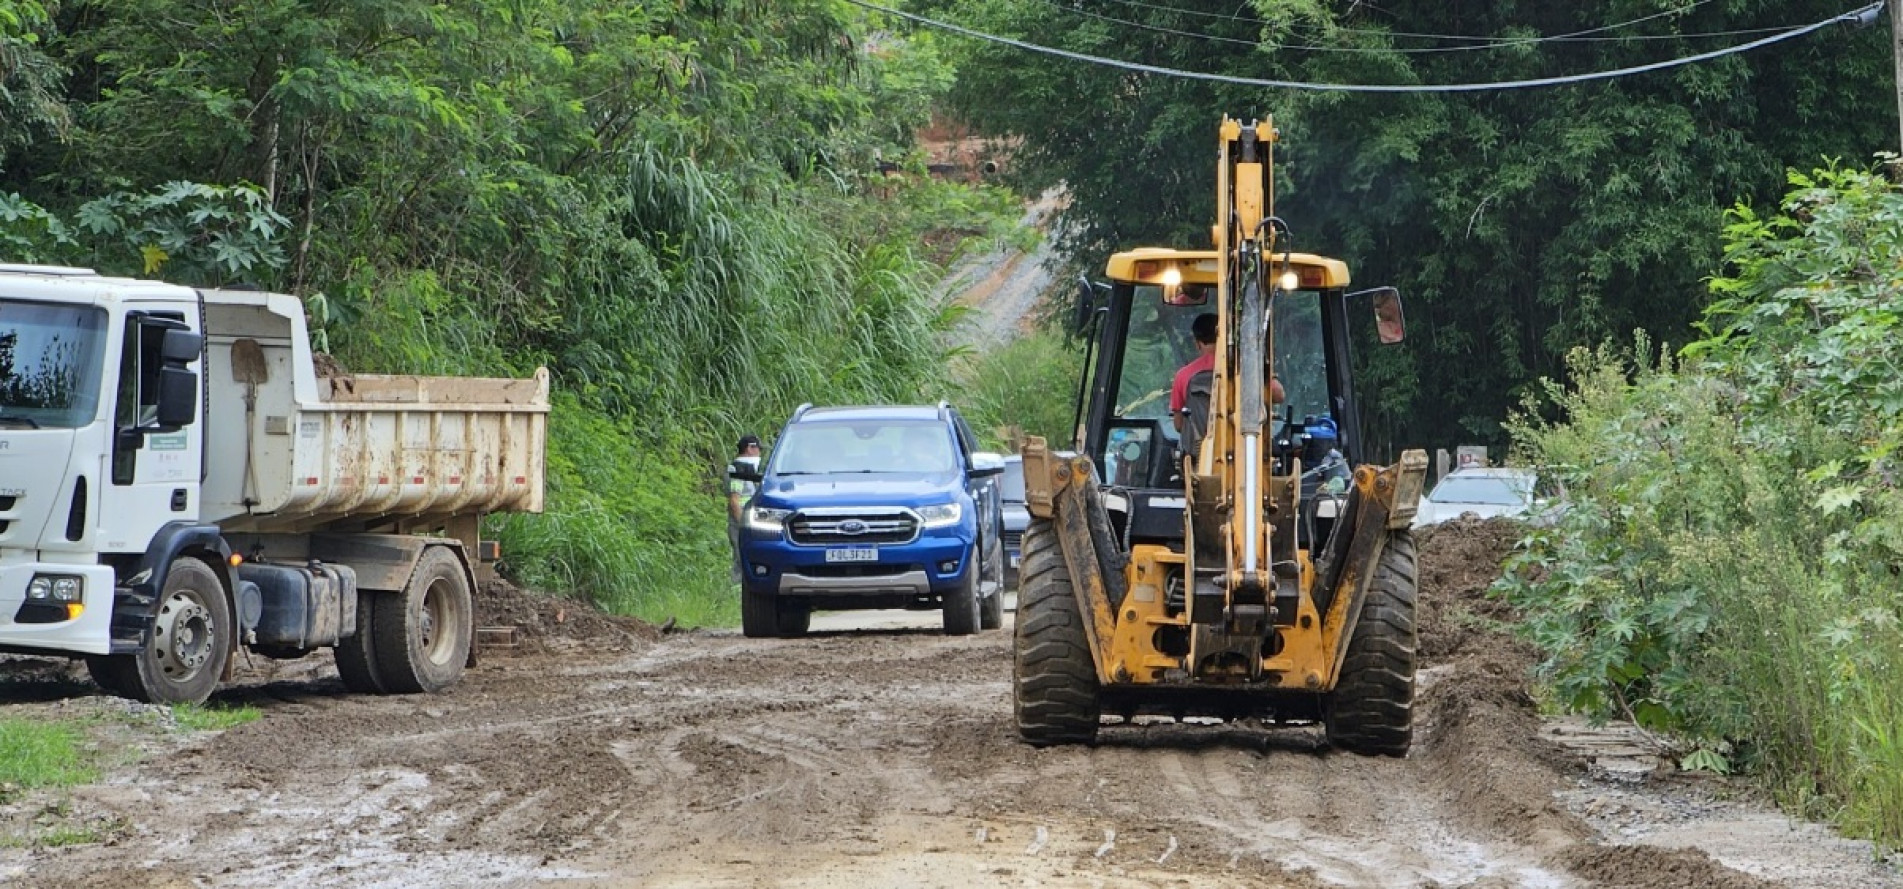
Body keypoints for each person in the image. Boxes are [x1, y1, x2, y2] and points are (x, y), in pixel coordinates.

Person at [1169, 312, 1284, 437]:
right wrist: (1264, 373)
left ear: (1197, 343)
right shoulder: (1245, 369)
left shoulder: (1183, 375)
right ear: (1224, 336)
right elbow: (1278, 395)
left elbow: (1179, 424)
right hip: (1243, 444)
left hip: (1198, 450)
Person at [727, 435, 763, 584]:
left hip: (751, 521)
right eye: (758, 449)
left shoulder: (747, 468)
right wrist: (743, 525)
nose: (760, 452)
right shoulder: (737, 469)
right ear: (750, 448)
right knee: (741, 560)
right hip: (740, 522)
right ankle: (736, 592)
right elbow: (734, 501)